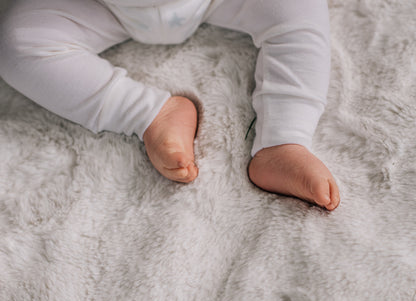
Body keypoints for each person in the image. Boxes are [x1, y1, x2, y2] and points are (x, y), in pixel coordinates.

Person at [0, 0, 340, 210]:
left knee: (299, 13)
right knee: (18, 43)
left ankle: (284, 139)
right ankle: (147, 112)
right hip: (103, 6)